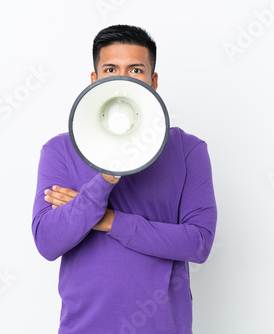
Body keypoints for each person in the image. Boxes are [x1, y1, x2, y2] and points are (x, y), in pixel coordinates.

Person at [32, 24, 217, 334]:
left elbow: (198, 243)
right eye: (110, 69)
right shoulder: (60, 150)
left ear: (153, 81)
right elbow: (48, 242)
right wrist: (104, 178)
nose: (121, 79)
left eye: (135, 70)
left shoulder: (188, 150)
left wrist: (106, 220)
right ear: (94, 80)